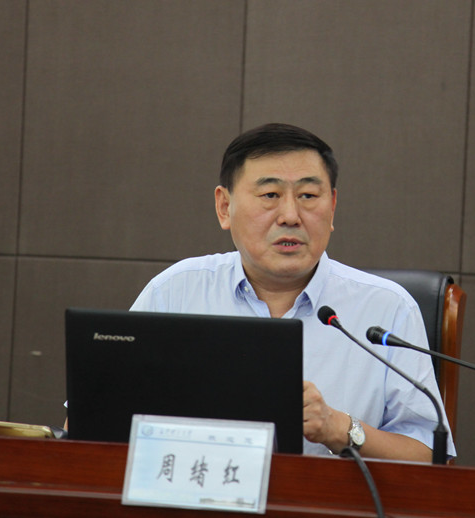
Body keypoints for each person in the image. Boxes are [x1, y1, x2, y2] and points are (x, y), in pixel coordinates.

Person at [130, 123, 455, 461]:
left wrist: (340, 429)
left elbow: (431, 457)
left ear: (332, 206)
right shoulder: (174, 293)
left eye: (308, 196)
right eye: (270, 195)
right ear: (225, 207)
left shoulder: (388, 309)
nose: (290, 216)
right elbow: (102, 420)